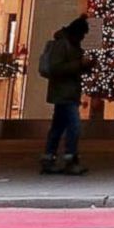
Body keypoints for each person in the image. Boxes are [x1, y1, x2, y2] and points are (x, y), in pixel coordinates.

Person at [41, 16, 92, 176]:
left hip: (67, 93)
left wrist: (85, 66)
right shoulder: (62, 45)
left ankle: (49, 159)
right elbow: (57, 69)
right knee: (74, 127)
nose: (83, 38)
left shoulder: (72, 45)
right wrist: (80, 64)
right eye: (82, 35)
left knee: (58, 127)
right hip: (64, 93)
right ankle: (70, 159)